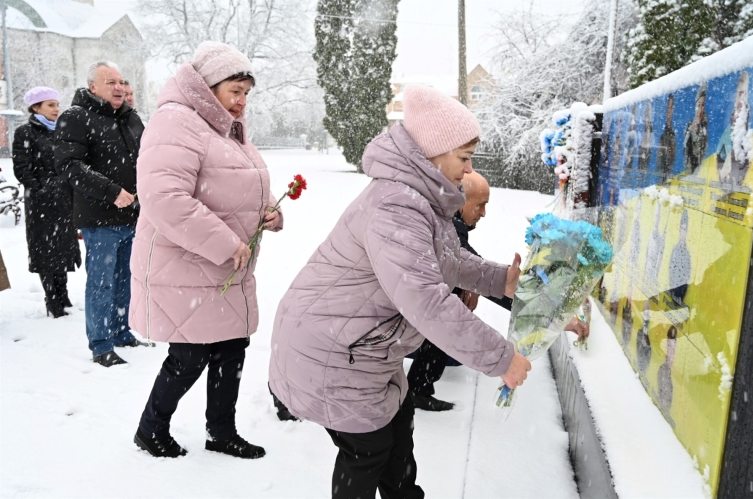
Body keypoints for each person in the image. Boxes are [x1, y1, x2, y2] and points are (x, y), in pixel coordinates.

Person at [269, 84, 531, 498]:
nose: (468, 170)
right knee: (369, 450)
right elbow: (426, 299)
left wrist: (503, 280)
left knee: (397, 430)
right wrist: (500, 357)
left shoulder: (418, 198)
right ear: (434, 152)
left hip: (362, 347)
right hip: (334, 353)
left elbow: (449, 261)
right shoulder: (398, 204)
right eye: (464, 158)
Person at [130, 41, 282, 460]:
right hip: (187, 264)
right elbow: (165, 198)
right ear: (207, 86)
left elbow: (239, 182)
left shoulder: (225, 127)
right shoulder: (175, 122)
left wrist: (269, 211)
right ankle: (151, 429)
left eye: (247, 93)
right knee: (190, 353)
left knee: (232, 347)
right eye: (235, 91)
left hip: (227, 267)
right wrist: (225, 242)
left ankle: (221, 431)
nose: (241, 101)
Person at [406, 172, 591, 411]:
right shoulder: (447, 231)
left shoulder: (446, 224)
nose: (483, 213)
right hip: (390, 326)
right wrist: (556, 318)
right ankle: (417, 389)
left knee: (454, 309)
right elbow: (490, 284)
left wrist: (470, 282)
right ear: (460, 202)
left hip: (402, 319)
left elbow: (480, 273)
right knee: (450, 309)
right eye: (480, 205)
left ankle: (419, 382)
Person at [55, 62, 147, 367]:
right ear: (92, 87)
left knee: (126, 280)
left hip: (133, 217)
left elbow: (149, 157)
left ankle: (121, 332)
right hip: (100, 219)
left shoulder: (131, 118)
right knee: (102, 283)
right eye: (110, 82)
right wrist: (112, 192)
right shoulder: (76, 117)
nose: (119, 87)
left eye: (121, 81)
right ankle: (101, 344)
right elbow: (70, 166)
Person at [12, 86, 81, 318]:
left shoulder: (62, 132)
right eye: (50, 105)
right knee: (45, 250)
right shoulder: (25, 133)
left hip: (64, 202)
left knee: (62, 248)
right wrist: (42, 189)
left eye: (57, 104)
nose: (56, 109)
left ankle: (63, 294)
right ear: (36, 107)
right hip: (41, 204)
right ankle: (52, 298)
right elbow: (22, 168)